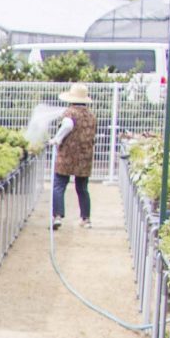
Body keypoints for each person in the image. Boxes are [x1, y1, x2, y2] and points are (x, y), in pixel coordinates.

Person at [50, 83, 98, 229]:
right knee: (82, 187)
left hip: (67, 155)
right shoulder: (91, 115)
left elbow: (67, 126)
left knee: (59, 185)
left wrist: (56, 139)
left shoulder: (69, 113)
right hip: (85, 156)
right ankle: (86, 219)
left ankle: (57, 216)